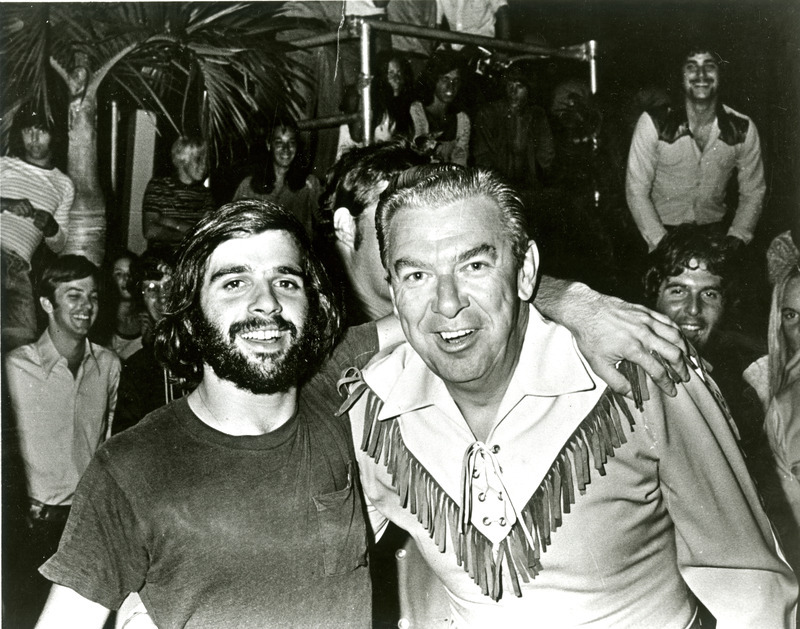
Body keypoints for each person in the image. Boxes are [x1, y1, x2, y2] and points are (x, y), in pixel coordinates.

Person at [339, 166, 796, 627]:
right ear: (394, 294)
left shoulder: (638, 373)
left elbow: (748, 581)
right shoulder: (374, 410)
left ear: (526, 272)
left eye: (474, 266)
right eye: (416, 275)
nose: (447, 303)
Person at [33, 201, 397, 628]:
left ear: (312, 308)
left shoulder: (326, 388)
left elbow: (427, 318)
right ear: (191, 315)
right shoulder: (131, 469)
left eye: (286, 281)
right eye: (234, 283)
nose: (267, 303)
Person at [4, 255, 120, 626]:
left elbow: (108, 440)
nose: (87, 307)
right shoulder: (13, 368)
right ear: (46, 304)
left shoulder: (109, 366)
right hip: (29, 530)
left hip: (84, 528)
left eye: (93, 296)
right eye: (73, 295)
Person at [626, 45, 766, 252]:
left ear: (722, 74)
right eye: (691, 67)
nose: (701, 75)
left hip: (716, 237)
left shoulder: (742, 128)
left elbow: (753, 191)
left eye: (710, 66)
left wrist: (736, 238)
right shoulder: (653, 123)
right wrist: (662, 244)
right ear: (680, 76)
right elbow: (636, 190)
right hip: (659, 236)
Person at [1, 108, 74, 351]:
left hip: (20, 269)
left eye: (41, 131)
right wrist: (5, 203)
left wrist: (51, 228)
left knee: (23, 345)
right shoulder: (4, 165)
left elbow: (60, 243)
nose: (33, 138)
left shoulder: (63, 185)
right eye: (27, 131)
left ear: (54, 135)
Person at [112, 253, 189, 435]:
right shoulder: (137, 368)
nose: (162, 296)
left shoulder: (209, 352)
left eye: (170, 286)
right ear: (141, 298)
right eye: (152, 288)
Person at [473, 63, 554, 193]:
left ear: (529, 89)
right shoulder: (489, 113)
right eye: (510, 85)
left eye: (519, 86)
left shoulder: (537, 115)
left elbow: (546, 155)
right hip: (495, 188)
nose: (513, 92)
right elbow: (482, 157)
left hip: (529, 188)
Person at [233, 121, 322, 238]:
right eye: (279, 142)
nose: (286, 148)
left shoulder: (310, 184)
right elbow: (232, 224)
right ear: (269, 145)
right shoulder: (248, 185)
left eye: (291, 142)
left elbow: (325, 223)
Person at [142, 135, 214, 257]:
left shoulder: (205, 194)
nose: (204, 165)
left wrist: (171, 222)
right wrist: (192, 233)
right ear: (182, 159)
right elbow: (149, 231)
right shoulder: (159, 186)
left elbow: (207, 235)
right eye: (198, 159)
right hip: (162, 259)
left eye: (206, 160)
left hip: (191, 259)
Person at [410, 52, 470, 166]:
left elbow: (461, 159)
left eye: (455, 81)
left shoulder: (462, 119)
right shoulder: (417, 110)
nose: (451, 87)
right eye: (445, 79)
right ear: (433, 80)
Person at [93, 250, 143, 362]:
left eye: (131, 273)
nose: (126, 278)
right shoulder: (100, 319)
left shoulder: (146, 318)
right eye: (119, 274)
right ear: (110, 278)